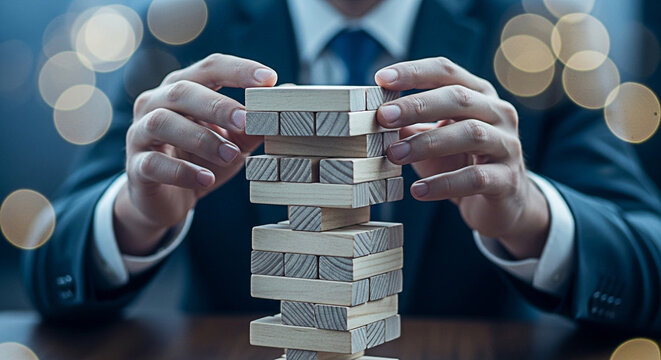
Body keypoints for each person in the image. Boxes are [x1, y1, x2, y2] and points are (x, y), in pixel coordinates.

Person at [24, 0, 661, 332]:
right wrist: (133, 217)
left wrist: (532, 216)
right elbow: (49, 261)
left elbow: (649, 260)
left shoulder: (532, 36)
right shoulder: (185, 29)